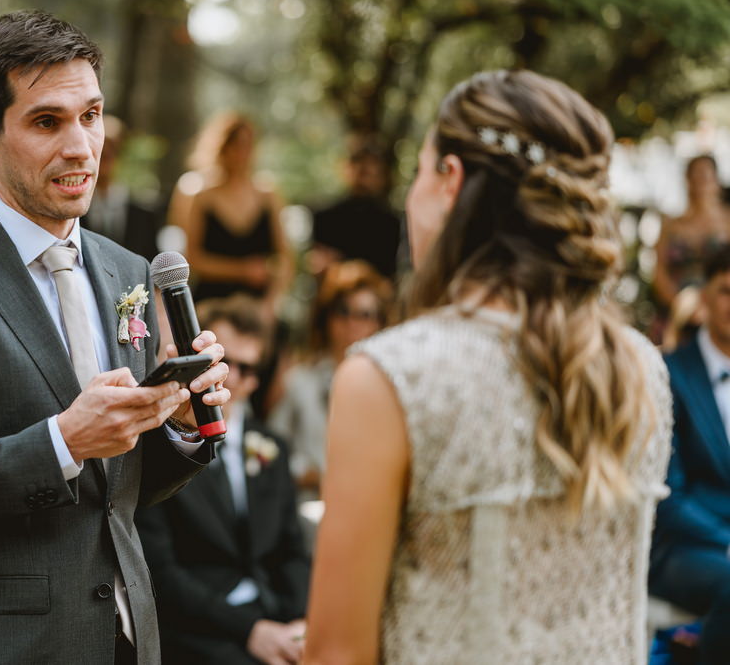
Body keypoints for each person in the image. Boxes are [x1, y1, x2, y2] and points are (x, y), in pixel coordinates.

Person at [0, 12, 230, 664]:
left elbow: (114, 491)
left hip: (127, 640)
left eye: (92, 115)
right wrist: (60, 442)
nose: (81, 145)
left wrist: (179, 425)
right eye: (47, 121)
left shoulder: (128, 272)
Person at [302, 69, 673, 664]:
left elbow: (336, 655)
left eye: (419, 172)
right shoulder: (641, 367)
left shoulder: (393, 377)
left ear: (450, 181)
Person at [136, 294, 309, 665]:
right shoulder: (163, 450)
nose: (231, 378)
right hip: (197, 631)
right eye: (224, 363)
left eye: (248, 370)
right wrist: (250, 631)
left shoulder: (272, 448)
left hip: (274, 615)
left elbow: (293, 550)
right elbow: (161, 574)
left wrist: (298, 624)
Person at [650, 245, 730, 664]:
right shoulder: (669, 372)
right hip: (684, 548)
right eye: (726, 291)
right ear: (704, 298)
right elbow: (670, 496)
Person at [268, 260, 391, 501]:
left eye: (365, 314)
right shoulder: (300, 380)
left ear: (379, 322)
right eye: (343, 311)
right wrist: (306, 473)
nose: (353, 324)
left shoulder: (390, 386)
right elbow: (269, 449)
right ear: (327, 318)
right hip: (309, 507)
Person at [181, 112, 293, 311]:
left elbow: (285, 259)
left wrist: (270, 305)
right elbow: (193, 259)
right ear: (221, 147)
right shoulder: (201, 196)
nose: (242, 152)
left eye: (248, 145)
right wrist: (243, 271)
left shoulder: (268, 195)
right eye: (236, 145)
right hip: (211, 305)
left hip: (257, 307)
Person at [309, 138, 401, 280]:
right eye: (363, 171)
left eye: (371, 172)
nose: (365, 180)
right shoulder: (325, 217)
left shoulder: (393, 223)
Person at [654, 155, 730, 311]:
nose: (700, 183)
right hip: (676, 313)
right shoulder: (670, 225)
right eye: (695, 176)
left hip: (721, 313)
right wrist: (680, 306)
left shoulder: (727, 222)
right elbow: (659, 272)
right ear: (687, 181)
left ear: (716, 180)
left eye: (705, 176)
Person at [83, 115, 162, 260]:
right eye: (98, 148)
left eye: (112, 149)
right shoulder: (71, 212)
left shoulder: (143, 212)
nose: (104, 156)